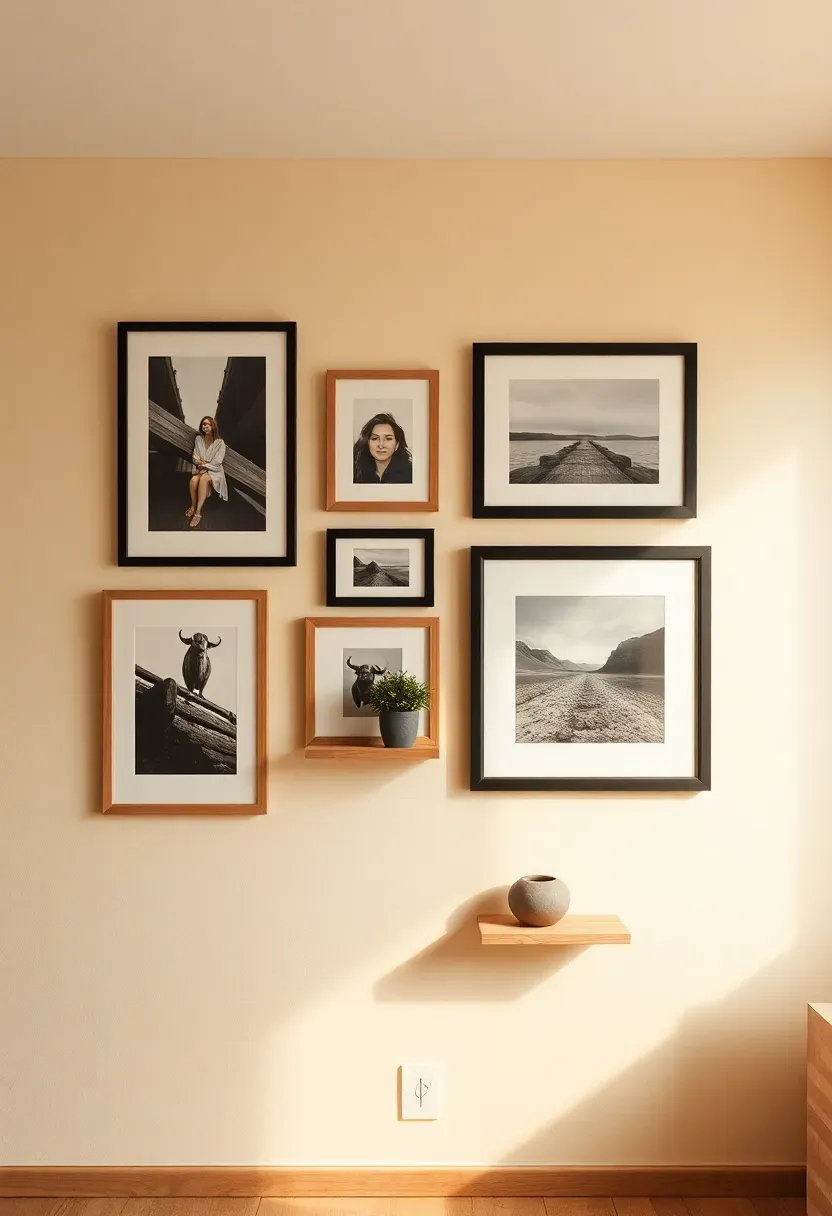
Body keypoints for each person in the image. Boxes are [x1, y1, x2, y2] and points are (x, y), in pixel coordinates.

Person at [186, 416, 228, 528]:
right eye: (204, 424)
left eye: (208, 424)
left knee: (204, 479)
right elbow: (195, 457)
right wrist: (204, 463)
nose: (205, 426)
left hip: (215, 472)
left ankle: (198, 513)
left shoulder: (220, 443)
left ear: (213, 426)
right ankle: (193, 506)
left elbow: (217, 462)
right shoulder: (198, 439)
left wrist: (204, 464)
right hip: (201, 470)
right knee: (194, 480)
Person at [353, 412, 413, 484]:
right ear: (367, 443)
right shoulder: (355, 471)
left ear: (397, 445)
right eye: (375, 438)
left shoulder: (410, 473)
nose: (381, 445)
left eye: (388, 439)